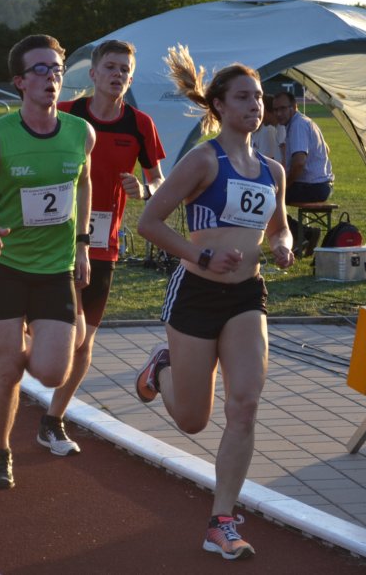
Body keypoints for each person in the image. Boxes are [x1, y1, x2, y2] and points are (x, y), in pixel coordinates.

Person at [134, 45, 294, 560]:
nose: (255, 105)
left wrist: (282, 245)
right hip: (197, 293)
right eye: (243, 97)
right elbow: (150, 223)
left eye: (259, 97)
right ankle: (162, 368)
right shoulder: (203, 160)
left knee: (244, 405)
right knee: (193, 420)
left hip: (247, 295)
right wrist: (200, 255)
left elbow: (280, 226)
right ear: (219, 106)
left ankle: (221, 520)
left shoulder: (272, 170)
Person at [0, 34, 95, 489]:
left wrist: (82, 244)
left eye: (57, 69)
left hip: (55, 266)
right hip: (5, 262)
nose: (52, 78)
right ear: (20, 82)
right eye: (40, 70)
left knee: (53, 372)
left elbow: (84, 183)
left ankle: (10, 343)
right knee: (9, 369)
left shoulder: (81, 133)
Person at [42, 39, 167, 456]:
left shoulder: (140, 124)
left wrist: (143, 189)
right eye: (111, 67)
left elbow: (158, 180)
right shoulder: (67, 114)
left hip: (101, 245)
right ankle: (25, 335)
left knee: (84, 344)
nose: (118, 75)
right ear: (93, 73)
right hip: (54, 240)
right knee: (70, 331)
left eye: (125, 70)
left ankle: (52, 419)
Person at [274, 91, 333, 253]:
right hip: (319, 184)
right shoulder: (302, 122)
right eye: (276, 109)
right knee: (270, 198)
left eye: (283, 108)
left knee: (268, 199)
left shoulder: (298, 125)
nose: (278, 113)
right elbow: (327, 149)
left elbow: (299, 163)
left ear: (294, 107)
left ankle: (303, 234)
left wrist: (285, 185)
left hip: (313, 186)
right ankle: (301, 234)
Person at [250, 93, 286, 165]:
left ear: (264, 111)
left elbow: (283, 159)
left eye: (257, 111)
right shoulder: (278, 128)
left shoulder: (276, 129)